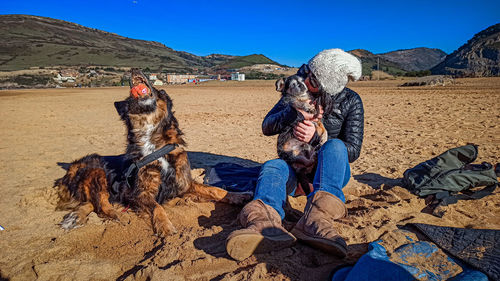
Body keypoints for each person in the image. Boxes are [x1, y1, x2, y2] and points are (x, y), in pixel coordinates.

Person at [225, 49, 364, 261]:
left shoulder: (352, 101)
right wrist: (293, 112)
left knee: (336, 146)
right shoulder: (296, 89)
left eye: (314, 80)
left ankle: (317, 220)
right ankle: (264, 223)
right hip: (294, 170)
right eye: (307, 72)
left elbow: (353, 151)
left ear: (328, 87)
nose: (306, 81)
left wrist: (319, 137)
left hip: (327, 174)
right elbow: (267, 127)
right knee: (273, 166)